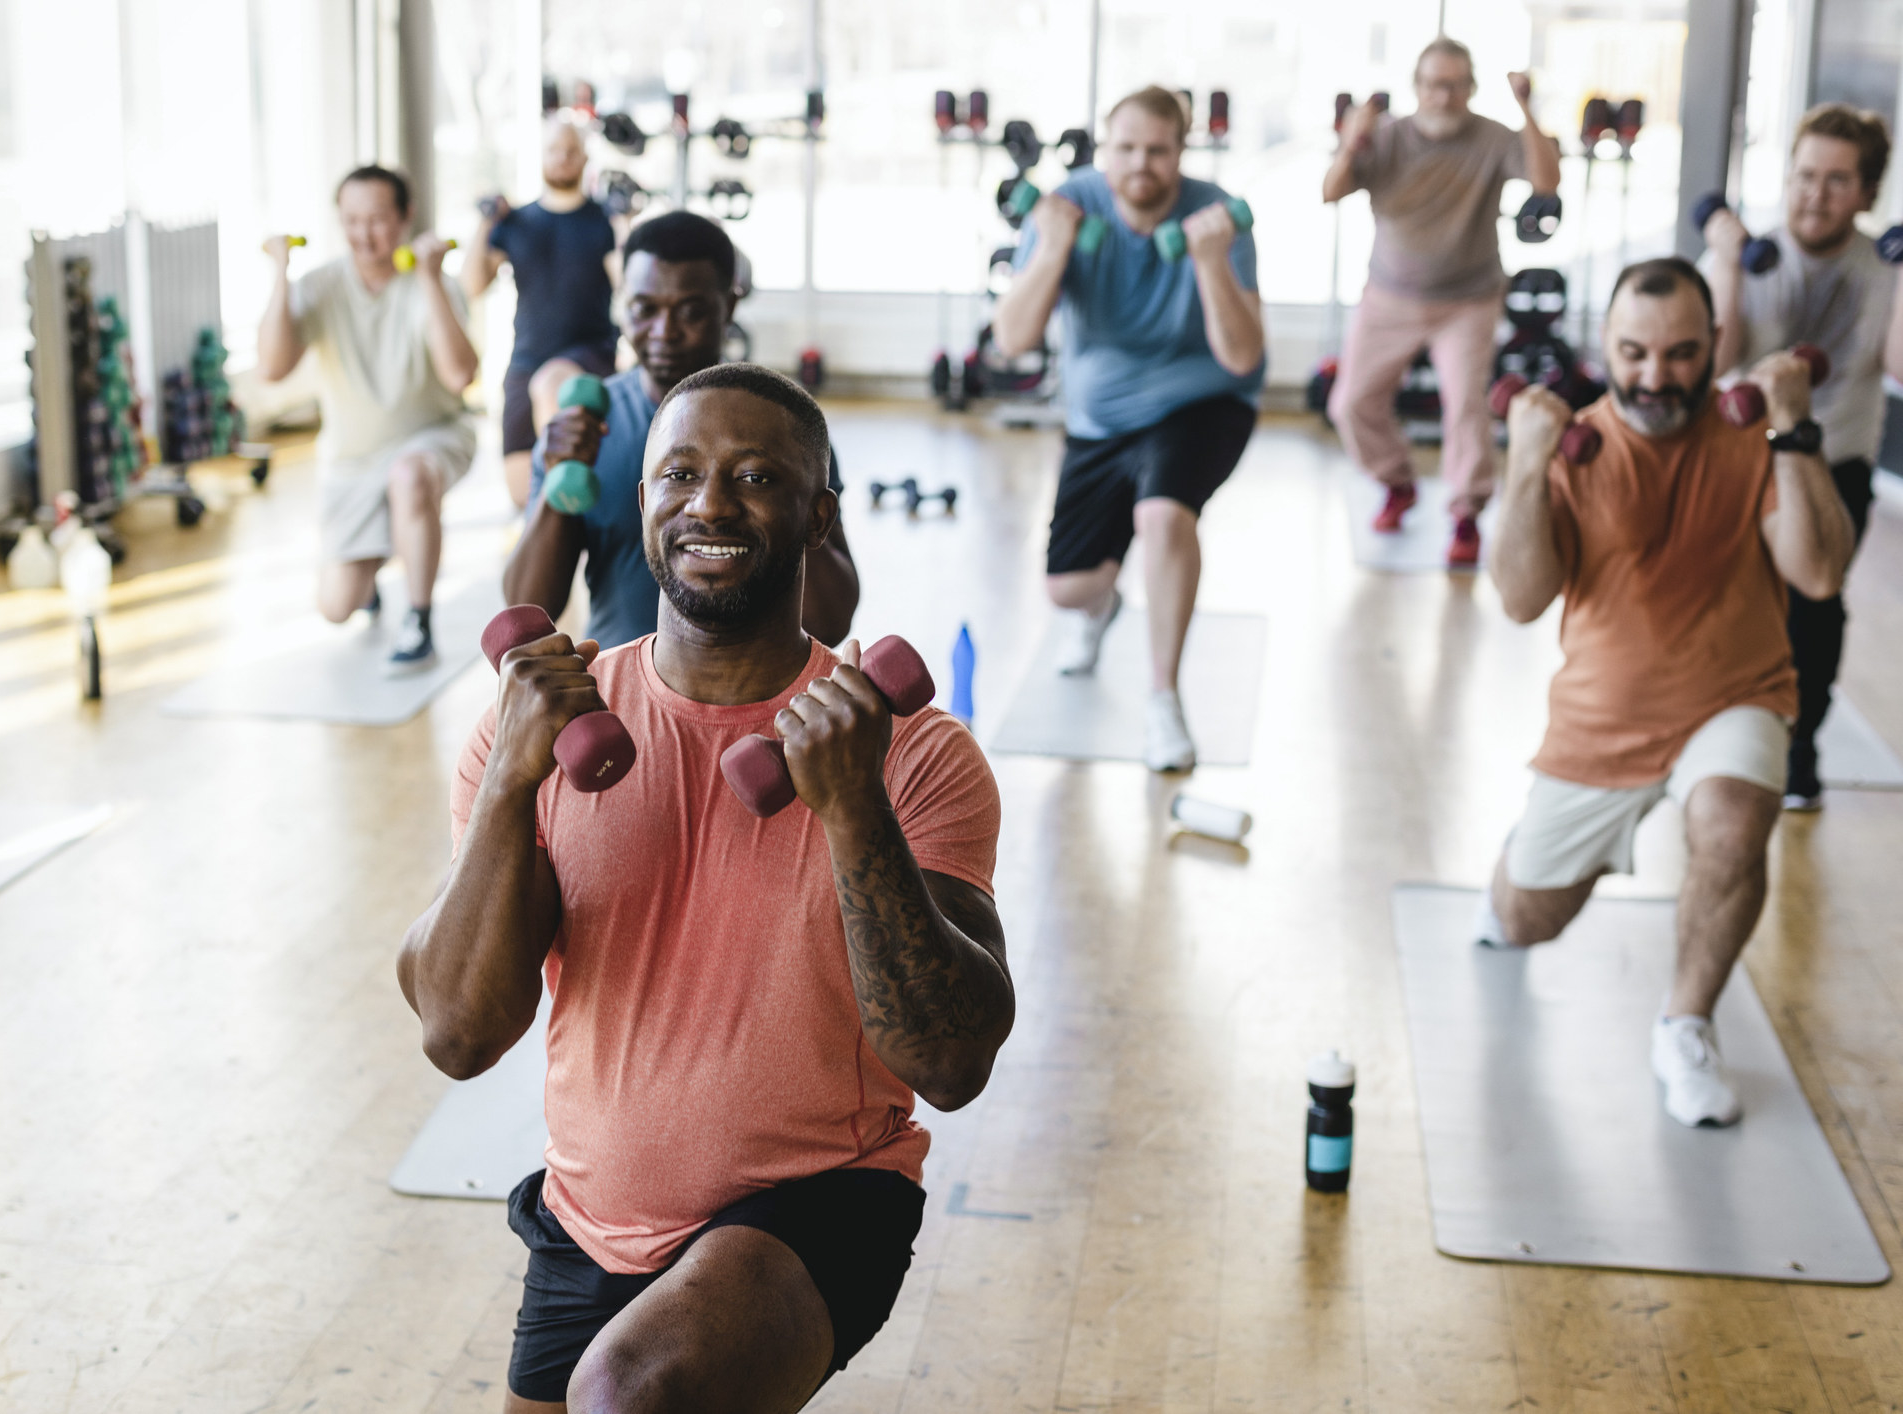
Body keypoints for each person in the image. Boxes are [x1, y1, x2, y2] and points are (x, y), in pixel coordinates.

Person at [399, 362, 1012, 1412]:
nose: (711, 502)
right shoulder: (540, 732)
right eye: (678, 472)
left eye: (756, 478)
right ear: (639, 504)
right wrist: (508, 778)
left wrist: (852, 807)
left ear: (820, 512)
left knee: (632, 1395)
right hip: (591, 1217)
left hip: (821, 1200)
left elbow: (951, 1060)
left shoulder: (910, 753)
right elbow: (458, 1032)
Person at [1480, 258, 1854, 1127]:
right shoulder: (1580, 448)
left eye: (1682, 354)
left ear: (1715, 345)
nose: (1657, 377)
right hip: (1603, 721)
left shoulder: (1749, 438)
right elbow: (1523, 598)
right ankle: (1515, 865)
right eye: (1635, 354)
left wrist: (1795, 427)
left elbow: (1819, 572)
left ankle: (1684, 1023)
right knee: (1526, 917)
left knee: (1732, 820)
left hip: (1736, 693)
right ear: (1603, 347)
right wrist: (1527, 467)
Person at [991, 85, 1266, 772]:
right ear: (1104, 148)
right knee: (1068, 590)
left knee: (1165, 518)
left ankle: (1162, 700)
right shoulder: (1066, 206)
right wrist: (1053, 248)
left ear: (1181, 153)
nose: (1141, 164)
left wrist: (1208, 262)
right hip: (1100, 416)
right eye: (1126, 148)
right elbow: (1014, 341)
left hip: (1202, 402)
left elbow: (1242, 354)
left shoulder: (1215, 218)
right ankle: (1100, 610)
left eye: (1158, 150)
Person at [504, 211, 860, 648]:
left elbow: (831, 622)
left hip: (759, 701)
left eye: (689, 311)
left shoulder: (783, 425)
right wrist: (557, 487)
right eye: (645, 310)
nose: (664, 332)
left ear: (727, 306)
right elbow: (528, 609)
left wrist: (790, 488)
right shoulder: (585, 428)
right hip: (622, 697)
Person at [1700, 104, 1903, 809]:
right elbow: (1717, 356)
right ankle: (1717, 731)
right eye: (1805, 175)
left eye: (1838, 181)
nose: (1816, 194)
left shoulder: (1882, 267)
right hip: (1737, 460)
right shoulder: (1750, 256)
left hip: (1832, 462)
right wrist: (1727, 259)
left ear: (1869, 193)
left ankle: (1799, 746)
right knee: (1725, 597)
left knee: (1814, 606)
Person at [1323, 39, 1562, 568]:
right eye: (1434, 84)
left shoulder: (1495, 138)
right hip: (1389, 295)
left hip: (1468, 300)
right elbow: (1331, 191)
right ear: (1417, 87)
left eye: (1455, 85)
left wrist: (1526, 108)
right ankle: (1397, 481)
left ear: (1471, 88)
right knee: (1350, 404)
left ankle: (1464, 515)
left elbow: (1546, 181)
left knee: (1465, 406)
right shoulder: (1387, 138)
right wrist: (1353, 137)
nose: (1444, 95)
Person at [257, 165, 479, 670]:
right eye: (352, 220)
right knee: (336, 607)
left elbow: (460, 374)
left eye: (378, 219)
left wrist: (427, 278)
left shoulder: (434, 285)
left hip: (435, 436)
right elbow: (272, 368)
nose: (364, 234)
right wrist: (279, 274)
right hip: (352, 461)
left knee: (409, 476)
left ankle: (418, 620)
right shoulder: (321, 286)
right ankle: (377, 564)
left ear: (406, 217)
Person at [462, 118, 624, 509]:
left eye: (571, 151)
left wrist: (623, 220)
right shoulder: (516, 221)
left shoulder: (603, 220)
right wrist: (486, 221)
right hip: (527, 359)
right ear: (542, 157)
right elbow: (472, 285)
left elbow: (629, 284)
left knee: (551, 390)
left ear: (584, 158)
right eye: (554, 150)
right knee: (523, 494)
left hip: (591, 354)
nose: (563, 158)